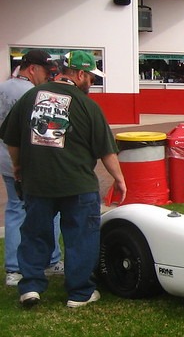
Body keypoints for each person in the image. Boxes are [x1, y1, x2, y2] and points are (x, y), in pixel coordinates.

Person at [0, 50, 127, 308]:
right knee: (81, 237)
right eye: (91, 78)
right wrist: (119, 179)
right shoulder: (88, 106)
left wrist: (18, 166)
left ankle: (31, 287)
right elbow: (106, 151)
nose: (91, 83)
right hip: (78, 184)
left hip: (37, 183)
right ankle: (79, 293)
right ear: (80, 74)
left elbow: (11, 139)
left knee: (34, 234)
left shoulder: (30, 97)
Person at [1, 49, 64, 287]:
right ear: (32, 69)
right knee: (50, 208)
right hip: (29, 161)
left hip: (6, 158)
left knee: (15, 209)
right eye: (46, 72)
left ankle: (14, 268)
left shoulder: (3, 88)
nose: (48, 76)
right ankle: (50, 260)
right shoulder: (35, 94)